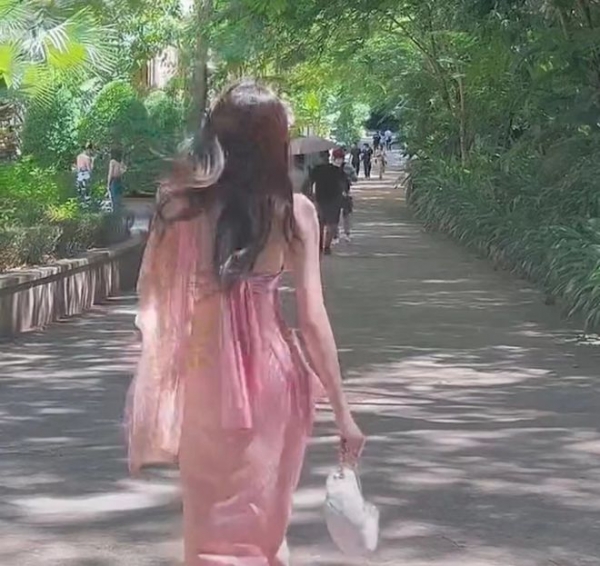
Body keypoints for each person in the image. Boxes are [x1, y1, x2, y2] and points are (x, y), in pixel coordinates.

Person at [126, 80, 365, 566]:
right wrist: (343, 411)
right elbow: (312, 319)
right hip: (274, 380)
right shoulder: (294, 213)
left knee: (208, 530)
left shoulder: (179, 208)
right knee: (264, 530)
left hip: (206, 376)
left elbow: (155, 301)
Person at [308, 148, 348, 255]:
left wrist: (310, 195)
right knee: (332, 224)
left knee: (320, 223)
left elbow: (310, 183)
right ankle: (326, 246)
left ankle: (320, 245)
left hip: (320, 199)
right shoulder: (337, 170)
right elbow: (344, 184)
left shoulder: (317, 169)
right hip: (334, 199)